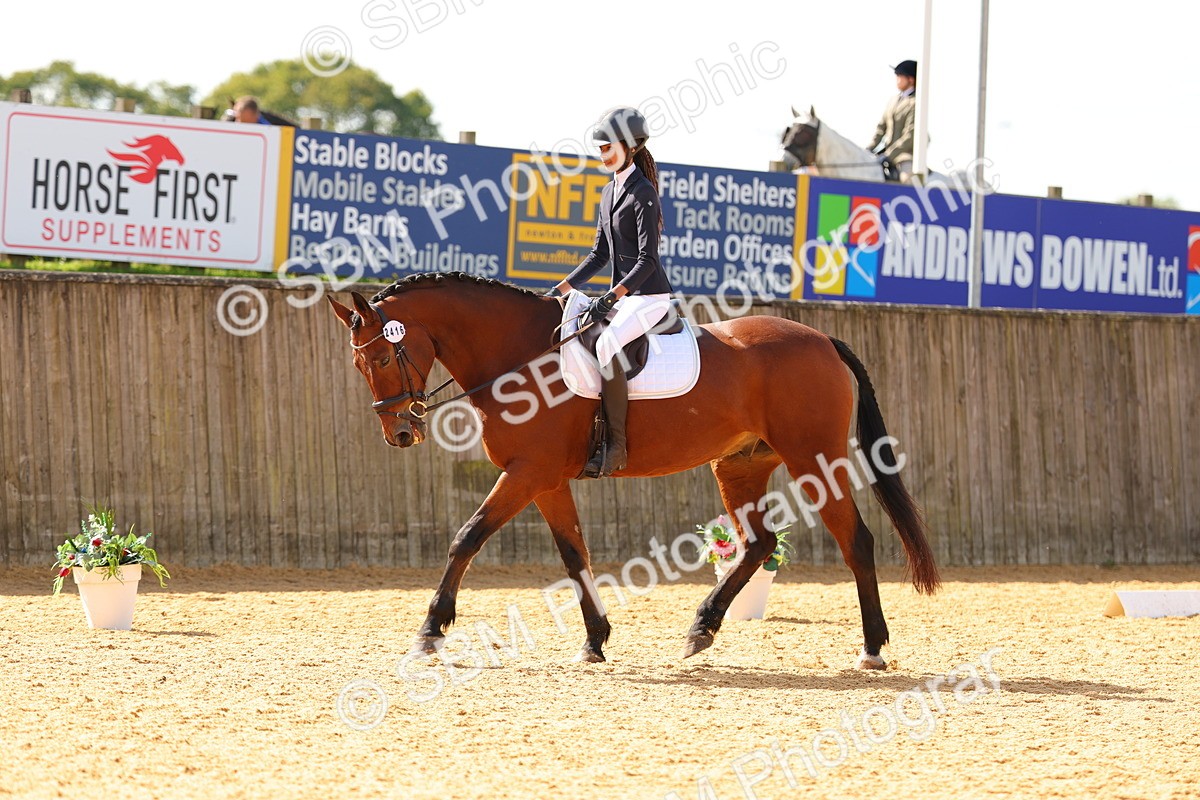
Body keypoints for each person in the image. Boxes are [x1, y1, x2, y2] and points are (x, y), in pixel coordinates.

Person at [547, 106, 674, 478]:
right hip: (624, 297)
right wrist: (562, 288)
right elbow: (599, 254)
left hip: (649, 297)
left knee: (606, 345)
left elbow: (649, 260)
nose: (603, 155)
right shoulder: (609, 191)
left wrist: (614, 295)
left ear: (631, 147)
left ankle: (616, 445)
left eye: (609, 148)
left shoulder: (643, 193)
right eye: (600, 149)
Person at [867, 60, 917, 181]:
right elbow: (881, 128)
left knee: (907, 180)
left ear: (911, 80)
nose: (897, 79)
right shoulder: (892, 101)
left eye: (900, 76)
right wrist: (868, 150)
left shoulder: (915, 103)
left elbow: (910, 135)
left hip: (904, 157)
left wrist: (889, 155)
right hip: (883, 154)